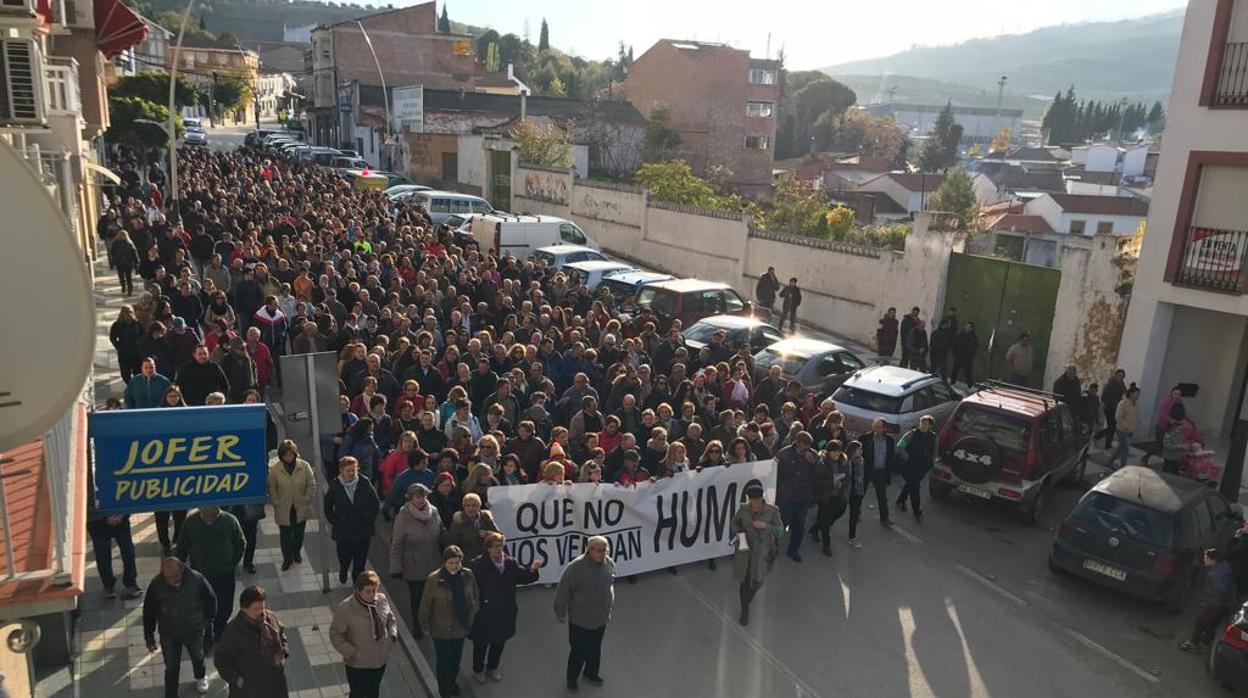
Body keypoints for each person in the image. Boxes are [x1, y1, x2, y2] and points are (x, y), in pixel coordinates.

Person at [466, 532, 541, 684]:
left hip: (505, 611)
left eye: (501, 546)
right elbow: (468, 588)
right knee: (481, 643)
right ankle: (478, 670)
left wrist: (532, 570)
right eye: (495, 547)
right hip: (484, 613)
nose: (499, 550)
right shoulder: (477, 565)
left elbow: (522, 577)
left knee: (499, 641)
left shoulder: (510, 563)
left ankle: (492, 667)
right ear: (487, 548)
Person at [143, 557, 217, 698]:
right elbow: (149, 612)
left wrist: (207, 621)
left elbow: (211, 599)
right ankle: (171, 694)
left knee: (198, 655)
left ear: (182, 569)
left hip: (193, 629)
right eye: (168, 577)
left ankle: (200, 676)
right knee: (171, 666)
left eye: (175, 576)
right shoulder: (156, 585)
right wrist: (149, 636)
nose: (172, 580)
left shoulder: (197, 579)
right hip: (169, 633)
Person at [176, 506, 245, 645]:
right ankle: (206, 636)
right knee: (203, 607)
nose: (208, 509)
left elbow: (240, 543)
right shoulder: (190, 522)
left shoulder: (229, 520)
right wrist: (181, 568)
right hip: (201, 575)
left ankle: (219, 630)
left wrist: (232, 563)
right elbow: (182, 546)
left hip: (224, 573)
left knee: (225, 606)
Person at [554, 535, 615, 691]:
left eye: (605, 550)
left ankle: (591, 673)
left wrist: (608, 608)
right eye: (600, 550)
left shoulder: (608, 563)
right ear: (590, 549)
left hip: (600, 618)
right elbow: (563, 590)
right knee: (578, 651)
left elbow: (610, 584)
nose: (603, 554)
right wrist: (560, 611)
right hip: (580, 620)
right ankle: (572, 679)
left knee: (595, 648)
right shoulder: (576, 567)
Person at [418, 545, 480, 698]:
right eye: (451, 563)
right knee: (444, 662)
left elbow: (475, 597)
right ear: (444, 562)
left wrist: (470, 618)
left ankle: (451, 682)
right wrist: (426, 628)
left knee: (455, 661)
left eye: (457, 562)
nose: (454, 566)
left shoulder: (468, 575)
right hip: (441, 631)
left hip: (461, 627)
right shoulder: (434, 579)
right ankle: (444, 690)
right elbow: (425, 606)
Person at [330, 571, 399, 698]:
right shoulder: (346, 608)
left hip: (379, 659)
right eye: (368, 591)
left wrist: (392, 635)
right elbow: (335, 634)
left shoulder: (381, 599)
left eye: (374, 590)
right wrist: (352, 652)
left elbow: (390, 618)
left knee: (373, 691)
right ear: (358, 590)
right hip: (358, 664)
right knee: (358, 693)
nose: (372, 595)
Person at [213, 586, 289, 698]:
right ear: (244, 608)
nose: (261, 612)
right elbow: (220, 659)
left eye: (262, 607)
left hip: (275, 682)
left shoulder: (270, 617)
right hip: (250, 687)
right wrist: (236, 679)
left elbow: (281, 633)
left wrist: (284, 652)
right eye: (256, 609)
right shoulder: (233, 630)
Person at [389, 483, 443, 638]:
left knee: (434, 597)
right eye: (418, 497)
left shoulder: (433, 511)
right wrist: (395, 568)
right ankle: (417, 625)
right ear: (410, 499)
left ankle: (432, 623)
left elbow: (441, 530)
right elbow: (396, 544)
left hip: (433, 562)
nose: (421, 500)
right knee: (417, 599)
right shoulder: (403, 517)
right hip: (414, 566)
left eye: (424, 496)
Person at [86, 460, 141, 599]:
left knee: (128, 552)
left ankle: (130, 582)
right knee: (103, 555)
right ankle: (108, 585)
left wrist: (122, 514)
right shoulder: (86, 479)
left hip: (120, 520)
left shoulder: (118, 472)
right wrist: (105, 518)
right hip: (97, 523)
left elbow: (129, 495)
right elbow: (85, 505)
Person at [732, 484, 784, 626]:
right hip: (745, 549)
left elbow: (780, 531)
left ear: (762, 498)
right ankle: (745, 610)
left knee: (758, 581)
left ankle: (747, 600)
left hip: (762, 552)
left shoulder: (773, 510)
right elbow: (735, 523)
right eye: (752, 501)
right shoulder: (744, 509)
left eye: (757, 501)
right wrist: (738, 533)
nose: (754, 504)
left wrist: (765, 526)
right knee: (744, 580)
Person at [325, 457, 381, 585]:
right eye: (348, 470)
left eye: (353, 470)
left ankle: (358, 583)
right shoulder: (335, 486)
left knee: (360, 560)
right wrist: (335, 521)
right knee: (344, 556)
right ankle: (344, 569)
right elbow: (327, 506)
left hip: (362, 529)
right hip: (343, 530)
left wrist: (368, 519)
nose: (351, 473)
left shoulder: (364, 483)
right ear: (341, 471)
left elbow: (374, 503)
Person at [267, 440, 316, 570]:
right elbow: (272, 488)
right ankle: (287, 558)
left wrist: (307, 498)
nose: (288, 458)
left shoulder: (304, 466)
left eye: (290, 455)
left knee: (299, 533)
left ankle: (296, 552)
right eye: (285, 455)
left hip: (300, 506)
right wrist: (276, 502)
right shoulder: (275, 470)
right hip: (284, 508)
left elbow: (311, 484)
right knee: (285, 535)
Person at [1179, 549, 1236, 653]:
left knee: (1201, 622)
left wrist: (1210, 598)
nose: (1204, 560)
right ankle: (1204, 644)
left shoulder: (1214, 574)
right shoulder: (1225, 567)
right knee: (1210, 625)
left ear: (1212, 560)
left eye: (1206, 558)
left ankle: (1193, 644)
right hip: (1225, 605)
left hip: (1215, 604)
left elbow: (1221, 589)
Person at [774, 431, 816, 562]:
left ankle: (793, 550)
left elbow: (819, 473)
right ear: (798, 443)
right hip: (786, 496)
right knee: (781, 524)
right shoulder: (784, 453)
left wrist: (812, 462)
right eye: (805, 445)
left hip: (802, 496)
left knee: (800, 525)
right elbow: (773, 470)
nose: (807, 449)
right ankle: (773, 547)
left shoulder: (812, 455)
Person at [895, 415, 937, 524]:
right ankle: (917, 512)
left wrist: (931, 464)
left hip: (923, 467)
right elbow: (900, 446)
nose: (923, 426)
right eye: (922, 423)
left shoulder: (933, 437)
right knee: (915, 487)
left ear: (930, 426)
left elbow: (934, 451)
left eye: (926, 424)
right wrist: (908, 458)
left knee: (911, 484)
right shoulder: (911, 434)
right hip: (909, 466)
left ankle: (900, 500)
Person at [857, 418, 894, 528]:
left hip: (881, 471)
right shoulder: (866, 438)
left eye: (878, 427)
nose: (875, 429)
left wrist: (888, 472)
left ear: (884, 428)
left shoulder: (889, 441)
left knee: (882, 495)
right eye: (874, 426)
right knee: (860, 492)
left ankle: (884, 517)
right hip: (867, 469)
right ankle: (856, 512)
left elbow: (890, 457)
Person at [446, 492, 501, 562]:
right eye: (468, 505)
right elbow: (451, 544)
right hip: (469, 562)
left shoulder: (486, 518)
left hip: (488, 560)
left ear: (479, 506)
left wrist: (488, 534)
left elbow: (500, 537)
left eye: (474, 505)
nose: (470, 508)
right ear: (464, 506)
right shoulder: (458, 522)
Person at [1112, 385, 1140, 470]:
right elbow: (1118, 417)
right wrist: (1126, 426)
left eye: (1139, 394)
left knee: (1121, 448)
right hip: (1122, 430)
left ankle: (1111, 461)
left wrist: (1136, 424)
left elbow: (1135, 416)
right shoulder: (1123, 403)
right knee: (1126, 448)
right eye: (1137, 394)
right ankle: (1123, 466)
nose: (1138, 396)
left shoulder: (1135, 404)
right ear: (1131, 394)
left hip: (1131, 430)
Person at [1101, 369, 1128, 450]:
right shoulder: (1110, 384)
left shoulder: (1122, 384)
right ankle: (1107, 444)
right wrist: (1111, 403)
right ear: (1116, 375)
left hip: (1117, 408)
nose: (1121, 377)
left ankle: (1099, 437)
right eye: (1120, 376)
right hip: (1109, 408)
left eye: (1123, 376)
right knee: (1111, 427)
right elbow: (1104, 396)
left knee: (1112, 427)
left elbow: (1126, 393)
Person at [949, 322, 978, 386]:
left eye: (969, 327)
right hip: (958, 357)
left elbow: (974, 347)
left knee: (968, 373)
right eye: (966, 326)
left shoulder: (973, 337)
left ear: (972, 328)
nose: (967, 328)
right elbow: (954, 345)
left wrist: (970, 355)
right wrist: (955, 355)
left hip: (967, 359)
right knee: (955, 371)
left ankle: (970, 386)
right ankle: (952, 383)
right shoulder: (960, 335)